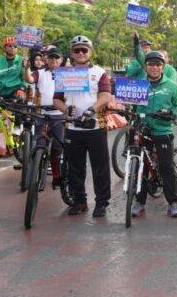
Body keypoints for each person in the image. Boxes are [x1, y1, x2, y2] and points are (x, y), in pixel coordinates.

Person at [52, 36, 111, 217]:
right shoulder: (65, 74)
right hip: (73, 127)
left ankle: (101, 203)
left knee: (100, 167)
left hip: (95, 126)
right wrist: (65, 109)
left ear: (90, 52)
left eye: (84, 50)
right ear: (72, 53)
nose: (80, 53)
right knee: (75, 167)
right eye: (77, 50)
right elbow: (56, 99)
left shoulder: (100, 72)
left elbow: (106, 95)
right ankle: (80, 201)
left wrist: (92, 110)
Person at [130, 51, 177, 218]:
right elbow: (130, 104)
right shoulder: (138, 84)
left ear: (163, 67)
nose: (154, 67)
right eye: (151, 64)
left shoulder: (171, 85)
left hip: (163, 130)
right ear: (146, 66)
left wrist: (171, 113)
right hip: (144, 129)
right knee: (141, 167)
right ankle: (139, 202)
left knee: (167, 167)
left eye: (158, 64)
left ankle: (172, 203)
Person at [23, 46, 64, 188]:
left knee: (57, 148)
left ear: (61, 60)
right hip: (41, 115)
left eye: (56, 57)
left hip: (59, 116)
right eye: (51, 57)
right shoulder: (39, 73)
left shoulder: (67, 74)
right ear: (47, 59)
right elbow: (28, 79)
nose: (53, 60)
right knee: (39, 144)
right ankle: (35, 172)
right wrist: (25, 67)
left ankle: (57, 176)